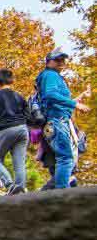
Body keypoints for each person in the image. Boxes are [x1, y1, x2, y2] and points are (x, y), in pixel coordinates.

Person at [36, 50, 90, 189]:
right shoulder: (50, 75)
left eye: (63, 60)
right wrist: (75, 104)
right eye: (58, 60)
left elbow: (58, 101)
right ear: (48, 62)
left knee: (65, 159)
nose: (62, 63)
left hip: (59, 120)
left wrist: (79, 98)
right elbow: (50, 95)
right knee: (65, 158)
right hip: (57, 121)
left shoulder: (54, 76)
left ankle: (60, 190)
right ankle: (62, 192)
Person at [0, 69, 30, 195]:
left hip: (4, 128)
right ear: (12, 80)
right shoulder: (19, 96)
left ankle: (9, 184)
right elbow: (28, 114)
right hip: (22, 128)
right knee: (19, 162)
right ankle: (20, 188)